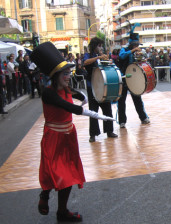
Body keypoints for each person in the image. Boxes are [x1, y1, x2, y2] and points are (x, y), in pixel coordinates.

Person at [30, 42, 114, 222]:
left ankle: (62, 211)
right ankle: (45, 195)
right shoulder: (49, 93)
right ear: (56, 75)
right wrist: (93, 113)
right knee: (53, 173)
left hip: (69, 136)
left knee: (67, 176)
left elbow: (76, 94)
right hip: (53, 138)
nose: (69, 76)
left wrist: (83, 96)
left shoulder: (66, 88)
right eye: (65, 74)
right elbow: (69, 107)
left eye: (69, 73)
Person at [83, 37, 118, 142]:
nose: (101, 47)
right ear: (94, 46)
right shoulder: (88, 55)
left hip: (103, 86)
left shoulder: (102, 56)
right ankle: (93, 134)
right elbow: (85, 62)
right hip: (92, 86)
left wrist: (108, 60)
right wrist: (97, 58)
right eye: (99, 45)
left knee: (107, 109)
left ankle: (109, 131)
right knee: (93, 111)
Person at [117, 22, 150, 128]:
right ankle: (122, 121)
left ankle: (143, 117)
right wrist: (132, 51)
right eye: (135, 45)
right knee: (121, 101)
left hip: (134, 78)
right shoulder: (125, 49)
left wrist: (141, 56)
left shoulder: (138, 51)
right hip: (123, 77)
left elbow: (142, 62)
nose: (137, 47)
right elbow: (121, 56)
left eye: (137, 45)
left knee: (137, 99)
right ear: (131, 44)